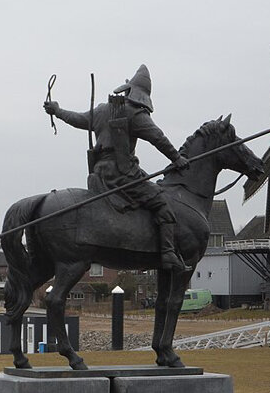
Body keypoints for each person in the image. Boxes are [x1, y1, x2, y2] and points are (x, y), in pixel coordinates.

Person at [43, 64, 189, 271]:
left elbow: (78, 119)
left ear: (127, 89)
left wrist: (57, 111)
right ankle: (167, 254)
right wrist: (177, 159)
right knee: (162, 203)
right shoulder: (136, 115)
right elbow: (158, 138)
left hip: (99, 173)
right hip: (123, 174)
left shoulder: (103, 110)